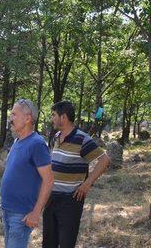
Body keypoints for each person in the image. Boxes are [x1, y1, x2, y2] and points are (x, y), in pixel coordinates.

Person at [44, 101, 111, 247]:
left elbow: (104, 159)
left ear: (64, 117)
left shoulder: (81, 138)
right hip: (51, 199)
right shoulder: (56, 137)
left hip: (70, 201)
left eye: (53, 115)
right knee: (49, 243)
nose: (52, 119)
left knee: (66, 243)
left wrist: (88, 183)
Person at [0, 98, 54, 248]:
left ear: (28, 118)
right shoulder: (17, 141)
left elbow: (48, 180)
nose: (11, 119)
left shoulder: (37, 144)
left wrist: (36, 212)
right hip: (7, 209)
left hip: (21, 214)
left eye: (14, 114)